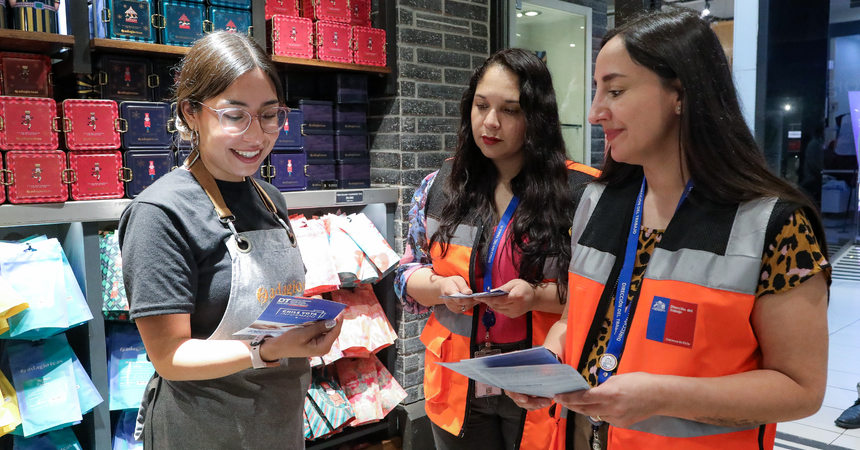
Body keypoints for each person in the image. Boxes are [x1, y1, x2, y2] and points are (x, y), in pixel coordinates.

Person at [506, 9, 831, 450]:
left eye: (615, 91)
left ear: (680, 93)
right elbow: (572, 321)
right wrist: (549, 360)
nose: (596, 112)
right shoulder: (597, 202)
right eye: (596, 90)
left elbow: (801, 388)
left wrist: (663, 396)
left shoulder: (774, 225)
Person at [117, 31, 343, 448]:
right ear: (191, 113)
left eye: (269, 114)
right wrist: (265, 350)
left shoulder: (270, 198)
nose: (256, 136)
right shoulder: (160, 213)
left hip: (277, 422)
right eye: (235, 116)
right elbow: (169, 356)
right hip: (203, 430)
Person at [394, 48, 599, 450]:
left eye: (510, 110)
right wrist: (440, 288)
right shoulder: (441, 185)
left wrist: (535, 296)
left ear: (536, 117)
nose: (490, 122)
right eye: (481, 105)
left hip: (541, 382)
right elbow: (406, 273)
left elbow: (601, 296)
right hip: (458, 381)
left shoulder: (582, 192)